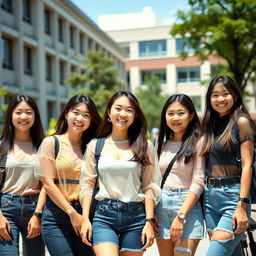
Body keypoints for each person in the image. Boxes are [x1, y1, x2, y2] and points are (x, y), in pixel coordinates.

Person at [79, 91, 161, 256]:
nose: (123, 114)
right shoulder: (95, 146)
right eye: (118, 108)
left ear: (135, 115)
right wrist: (85, 219)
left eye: (129, 110)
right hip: (103, 216)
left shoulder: (145, 146)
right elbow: (87, 185)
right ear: (109, 112)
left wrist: (149, 221)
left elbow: (149, 186)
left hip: (136, 217)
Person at [35, 94, 101, 256]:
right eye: (76, 113)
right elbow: (48, 184)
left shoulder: (93, 147)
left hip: (86, 214)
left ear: (91, 120)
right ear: (66, 114)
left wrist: (83, 216)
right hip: (57, 215)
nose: (80, 118)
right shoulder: (51, 143)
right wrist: (72, 213)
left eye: (86, 115)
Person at [200, 75, 255, 256]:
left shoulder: (241, 122)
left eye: (225, 94)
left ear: (235, 95)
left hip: (233, 197)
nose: (220, 99)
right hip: (210, 199)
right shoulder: (209, 124)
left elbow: (247, 165)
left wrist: (241, 205)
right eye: (215, 95)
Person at [155, 94, 205, 256]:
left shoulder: (199, 142)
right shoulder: (161, 143)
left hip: (187, 206)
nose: (175, 118)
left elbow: (198, 181)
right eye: (170, 113)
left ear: (191, 116)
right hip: (161, 206)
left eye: (181, 113)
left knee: (183, 254)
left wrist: (181, 215)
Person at [0, 94, 45, 256]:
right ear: (11, 115)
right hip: (6, 208)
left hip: (34, 208)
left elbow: (47, 184)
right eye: (18, 112)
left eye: (28, 112)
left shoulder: (43, 146)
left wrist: (38, 215)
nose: (23, 117)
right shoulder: (1, 147)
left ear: (35, 116)